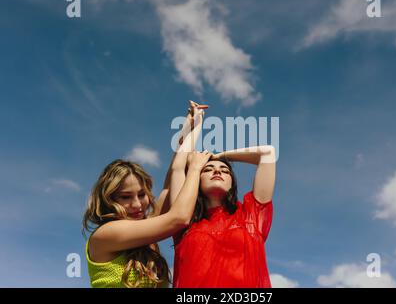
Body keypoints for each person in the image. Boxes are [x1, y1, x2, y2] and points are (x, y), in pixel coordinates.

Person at [82, 101, 210, 288]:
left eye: (142, 194)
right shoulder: (106, 234)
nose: (137, 204)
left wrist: (189, 127)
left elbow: (169, 183)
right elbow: (179, 218)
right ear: (108, 199)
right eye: (125, 197)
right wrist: (195, 169)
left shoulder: (145, 226)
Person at [170, 142, 277, 288]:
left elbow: (267, 153)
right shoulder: (183, 220)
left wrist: (220, 156)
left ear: (232, 183)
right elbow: (178, 168)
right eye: (208, 169)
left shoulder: (251, 216)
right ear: (196, 179)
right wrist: (195, 165)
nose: (217, 172)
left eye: (225, 171)